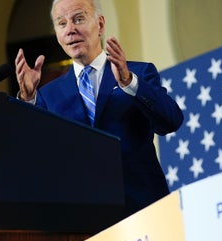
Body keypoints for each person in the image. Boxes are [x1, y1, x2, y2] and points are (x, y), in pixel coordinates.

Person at [15, 0, 183, 215]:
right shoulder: (47, 95)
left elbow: (171, 121)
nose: (70, 29)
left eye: (78, 19)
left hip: (144, 208)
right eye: (61, 23)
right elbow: (32, 155)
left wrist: (129, 83)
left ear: (101, 25)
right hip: (83, 220)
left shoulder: (138, 73)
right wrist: (28, 100)